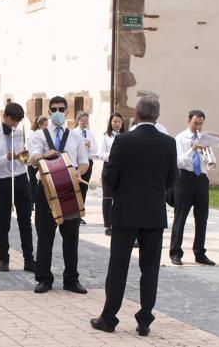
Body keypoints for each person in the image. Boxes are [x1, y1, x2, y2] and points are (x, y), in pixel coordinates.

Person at [91, 95, 177, 336]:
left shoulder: (123, 141)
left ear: (136, 115)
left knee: (118, 266)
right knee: (150, 268)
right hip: (153, 212)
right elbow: (172, 179)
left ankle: (109, 317)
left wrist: (124, 193)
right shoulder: (169, 143)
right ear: (157, 116)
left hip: (126, 211)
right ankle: (145, 320)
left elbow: (110, 177)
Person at [29, 96, 89, 294]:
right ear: (48, 111)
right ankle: (44, 278)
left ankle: (71, 279)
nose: (57, 112)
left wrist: (79, 171)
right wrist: (43, 155)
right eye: (54, 108)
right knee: (45, 235)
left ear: (67, 111)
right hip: (45, 188)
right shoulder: (39, 135)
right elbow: (33, 157)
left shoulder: (75, 137)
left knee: (71, 236)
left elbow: (84, 161)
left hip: (69, 189)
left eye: (61, 109)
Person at [0, 102, 35, 272]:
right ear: (5, 116)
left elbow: (27, 159)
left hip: (21, 179)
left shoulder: (21, 134)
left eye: (18, 121)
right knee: (3, 221)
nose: (15, 124)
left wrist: (24, 157)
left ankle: (29, 259)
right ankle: (4, 259)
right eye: (13, 120)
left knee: (25, 221)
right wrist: (7, 157)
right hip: (3, 181)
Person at [169, 110, 216, 266]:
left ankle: (200, 252)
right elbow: (179, 162)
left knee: (202, 218)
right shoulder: (180, 138)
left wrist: (207, 153)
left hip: (201, 178)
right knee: (180, 217)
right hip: (185, 178)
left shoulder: (203, 138)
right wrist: (193, 149)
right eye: (196, 123)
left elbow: (209, 160)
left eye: (201, 124)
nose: (198, 127)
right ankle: (175, 252)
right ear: (189, 121)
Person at [98, 113, 125, 236]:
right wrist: (112, 156)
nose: (117, 124)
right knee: (108, 197)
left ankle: (119, 221)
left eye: (119, 121)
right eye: (114, 121)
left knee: (120, 196)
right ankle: (108, 224)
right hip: (109, 167)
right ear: (110, 123)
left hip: (122, 168)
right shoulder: (105, 136)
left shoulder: (125, 136)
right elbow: (100, 154)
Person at [73, 111, 98, 225]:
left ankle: (80, 214)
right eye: (82, 121)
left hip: (88, 163)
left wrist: (90, 146)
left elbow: (96, 150)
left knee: (84, 188)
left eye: (86, 121)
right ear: (78, 121)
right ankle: (73, 212)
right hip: (77, 164)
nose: (84, 123)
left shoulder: (90, 133)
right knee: (75, 188)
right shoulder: (73, 133)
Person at [28, 116, 48, 210]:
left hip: (42, 163)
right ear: (40, 125)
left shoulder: (46, 134)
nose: (47, 127)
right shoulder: (34, 134)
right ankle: (32, 202)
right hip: (33, 162)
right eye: (45, 125)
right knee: (33, 183)